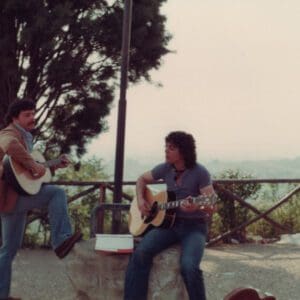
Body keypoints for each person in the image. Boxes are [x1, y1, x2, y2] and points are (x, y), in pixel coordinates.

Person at [0, 99, 82, 300]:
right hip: (9, 197)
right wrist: (32, 164)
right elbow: (8, 145)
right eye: (27, 115)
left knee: (8, 250)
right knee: (56, 193)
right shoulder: (9, 133)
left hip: (14, 198)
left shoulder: (26, 137)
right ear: (15, 118)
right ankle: (61, 240)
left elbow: (31, 173)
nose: (32, 118)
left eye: (33, 114)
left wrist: (52, 166)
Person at [124, 131, 217, 300]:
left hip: (194, 228)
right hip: (169, 226)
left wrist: (196, 206)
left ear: (183, 151)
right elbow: (141, 180)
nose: (166, 151)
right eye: (166, 147)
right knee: (140, 253)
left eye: (171, 148)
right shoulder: (165, 168)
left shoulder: (200, 172)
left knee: (189, 267)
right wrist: (140, 200)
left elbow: (211, 206)